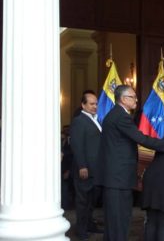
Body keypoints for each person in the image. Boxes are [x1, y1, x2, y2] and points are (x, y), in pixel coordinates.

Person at [98, 85, 164, 240]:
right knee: (118, 223)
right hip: (118, 179)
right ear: (124, 99)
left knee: (115, 223)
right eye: (133, 97)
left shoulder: (115, 114)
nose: (136, 100)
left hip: (116, 178)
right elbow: (140, 138)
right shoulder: (121, 116)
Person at [70, 91, 103, 240]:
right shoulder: (79, 120)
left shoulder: (96, 119)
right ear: (83, 105)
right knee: (83, 201)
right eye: (91, 104)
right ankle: (81, 230)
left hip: (96, 169)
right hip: (85, 169)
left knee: (91, 201)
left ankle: (89, 225)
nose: (95, 106)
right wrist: (82, 166)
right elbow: (77, 145)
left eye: (96, 103)